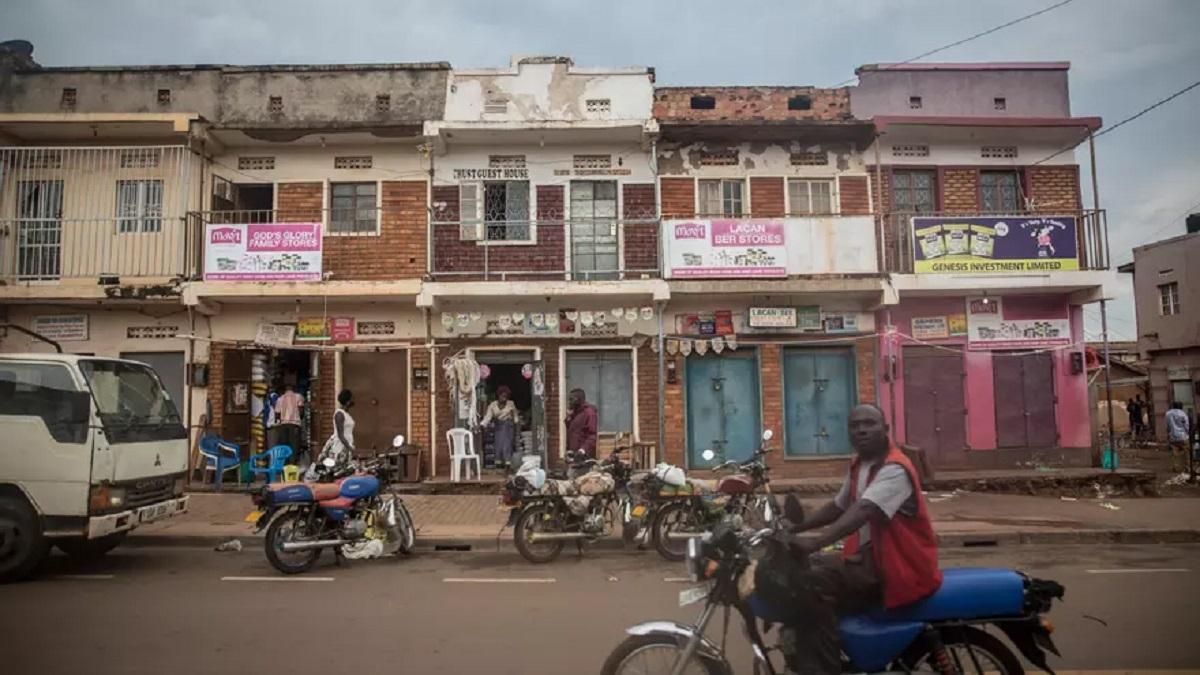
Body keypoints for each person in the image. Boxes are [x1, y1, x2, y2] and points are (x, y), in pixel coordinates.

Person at [777, 404, 942, 673]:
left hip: (896, 569)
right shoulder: (860, 464)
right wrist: (797, 528)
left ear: (885, 429)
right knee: (807, 568)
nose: (861, 430)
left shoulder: (895, 468)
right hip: (869, 559)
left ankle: (824, 666)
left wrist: (814, 542)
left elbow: (863, 510)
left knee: (810, 584)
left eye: (869, 424)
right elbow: (839, 506)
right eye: (855, 425)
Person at [305, 389, 355, 481]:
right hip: (339, 445)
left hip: (345, 445)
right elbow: (340, 435)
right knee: (332, 465)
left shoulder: (346, 414)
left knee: (341, 469)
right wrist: (349, 447)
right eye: (351, 399)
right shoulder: (339, 414)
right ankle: (316, 477)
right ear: (348, 402)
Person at [481, 385, 520, 467]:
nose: (504, 398)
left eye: (506, 396)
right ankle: (498, 463)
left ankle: (507, 464)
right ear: (498, 396)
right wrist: (482, 424)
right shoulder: (493, 405)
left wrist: (516, 424)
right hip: (498, 426)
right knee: (498, 444)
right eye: (502, 396)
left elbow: (515, 417)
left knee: (507, 444)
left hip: (508, 426)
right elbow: (488, 417)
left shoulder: (511, 404)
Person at [272, 384, 305, 461]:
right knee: (294, 446)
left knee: (284, 445)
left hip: (283, 425)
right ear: (293, 389)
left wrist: (279, 422)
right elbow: (301, 411)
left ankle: (285, 464)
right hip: (295, 425)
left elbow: (277, 414)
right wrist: (299, 419)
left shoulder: (280, 399)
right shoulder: (298, 397)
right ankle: (293, 464)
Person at [564, 388, 598, 459]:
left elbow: (592, 435)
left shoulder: (589, 413)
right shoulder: (576, 413)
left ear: (578, 400)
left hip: (584, 457)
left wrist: (583, 450)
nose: (569, 402)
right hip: (574, 455)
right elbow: (571, 430)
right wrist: (569, 416)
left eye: (571, 399)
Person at [1166, 401, 1191, 473]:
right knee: (1187, 453)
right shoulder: (1183, 414)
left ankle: (1176, 468)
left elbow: (1168, 425)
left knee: (1174, 453)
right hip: (1183, 436)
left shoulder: (1168, 413)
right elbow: (1186, 426)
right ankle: (1187, 468)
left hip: (1173, 436)